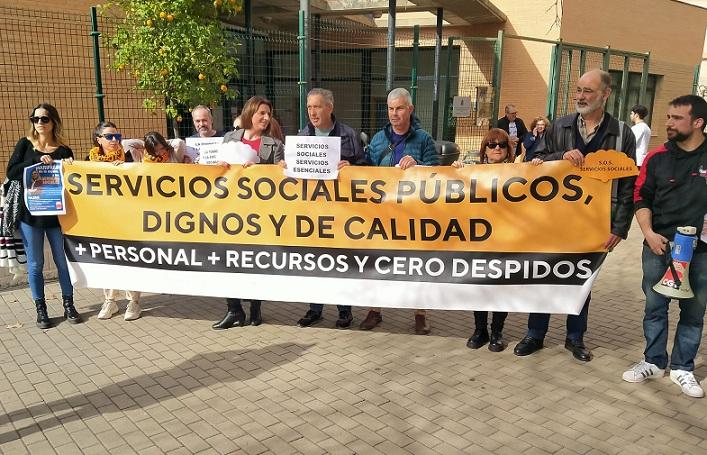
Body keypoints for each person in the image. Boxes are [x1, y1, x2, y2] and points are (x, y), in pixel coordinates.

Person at [513, 69, 637, 362]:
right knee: (543, 274)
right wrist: (560, 157)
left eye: (587, 91)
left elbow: (630, 184)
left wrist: (619, 227)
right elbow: (537, 164)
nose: (580, 96)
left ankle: (575, 338)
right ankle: (535, 334)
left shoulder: (622, 133)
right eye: (578, 89)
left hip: (594, 224)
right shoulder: (561, 127)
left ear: (605, 94)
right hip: (554, 221)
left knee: (582, 279)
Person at [623, 95, 707, 398]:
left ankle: (683, 368)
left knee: (694, 312)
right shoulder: (658, 157)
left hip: (701, 253)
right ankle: (654, 361)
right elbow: (640, 196)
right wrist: (647, 232)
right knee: (655, 307)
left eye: (676, 118)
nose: (668, 123)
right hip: (659, 247)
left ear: (697, 122)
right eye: (668, 117)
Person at [360, 87, 439, 335]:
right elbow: (368, 171)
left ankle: (420, 313)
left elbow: (436, 174)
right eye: (391, 109)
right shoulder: (378, 139)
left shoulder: (424, 139)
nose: (394, 114)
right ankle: (375, 310)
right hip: (384, 215)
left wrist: (419, 165)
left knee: (416, 266)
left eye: (400, 108)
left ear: (410, 109)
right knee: (379, 264)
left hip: (414, 216)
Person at [295, 88, 367, 329]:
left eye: (317, 106)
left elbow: (365, 166)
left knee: (339, 262)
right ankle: (315, 309)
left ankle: (344, 311)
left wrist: (352, 166)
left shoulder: (348, 134)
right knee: (315, 262)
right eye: (309, 107)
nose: (312, 112)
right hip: (313, 212)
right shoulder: (303, 135)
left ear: (330, 107)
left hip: (341, 212)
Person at [6, 103, 81, 328]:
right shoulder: (25, 144)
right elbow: (12, 172)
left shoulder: (64, 150)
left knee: (62, 262)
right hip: (31, 215)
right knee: (36, 264)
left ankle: (69, 304)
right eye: (35, 119)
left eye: (44, 119)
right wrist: (36, 161)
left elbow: (75, 182)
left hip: (57, 216)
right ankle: (41, 308)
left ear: (53, 122)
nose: (39, 123)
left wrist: (70, 167)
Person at [212, 96, 284, 330]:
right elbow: (216, 170)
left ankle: (255, 307)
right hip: (229, 211)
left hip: (256, 213)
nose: (266, 117)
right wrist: (221, 164)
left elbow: (279, 178)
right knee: (227, 260)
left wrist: (268, 170)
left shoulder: (274, 145)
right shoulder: (229, 138)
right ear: (250, 113)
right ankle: (233, 309)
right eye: (261, 113)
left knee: (254, 262)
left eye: (268, 114)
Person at [452, 128, 517, 351]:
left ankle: (497, 330)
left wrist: (539, 166)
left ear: (508, 149)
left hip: (507, 240)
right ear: (485, 150)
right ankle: (480, 330)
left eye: (501, 144)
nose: (497, 148)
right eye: (492, 144)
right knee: (479, 285)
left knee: (501, 288)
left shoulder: (520, 171)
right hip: (479, 240)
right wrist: (455, 172)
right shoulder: (472, 172)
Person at [88, 121, 143, 321]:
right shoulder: (89, 161)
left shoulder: (128, 156)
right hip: (103, 219)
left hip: (127, 219)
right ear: (98, 139)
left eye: (117, 136)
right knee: (107, 259)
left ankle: (133, 302)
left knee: (129, 258)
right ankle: (110, 301)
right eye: (109, 136)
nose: (114, 140)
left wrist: (127, 168)